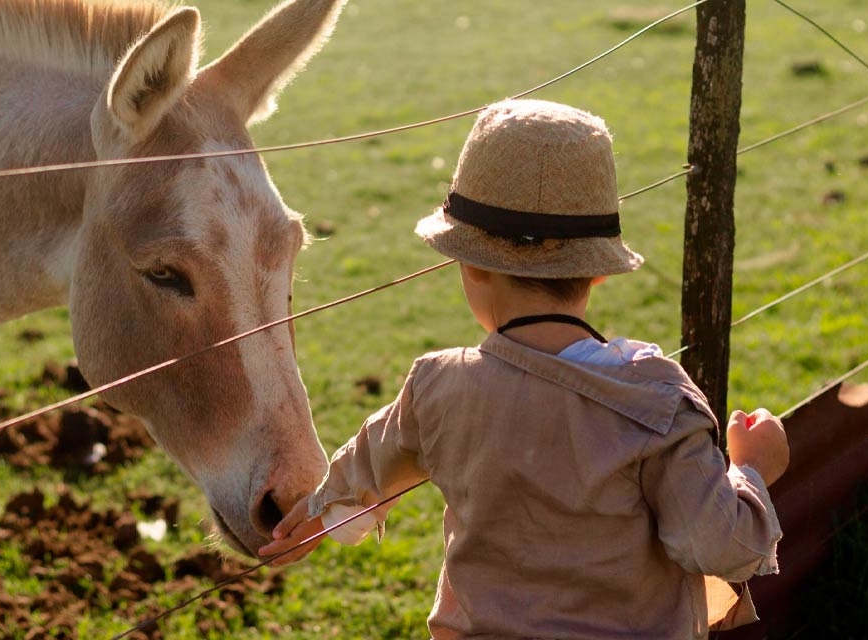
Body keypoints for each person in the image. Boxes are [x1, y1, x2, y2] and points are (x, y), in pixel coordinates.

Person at [260, 99, 789, 639]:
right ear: (598, 272)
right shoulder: (656, 403)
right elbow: (716, 545)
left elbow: (373, 457)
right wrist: (752, 469)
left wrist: (322, 512)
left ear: (466, 263)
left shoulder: (439, 386)